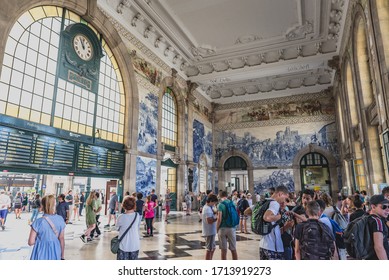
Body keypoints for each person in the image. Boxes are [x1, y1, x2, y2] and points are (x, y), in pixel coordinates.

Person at [28, 194, 66, 260]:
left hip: (40, 252)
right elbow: (61, 239)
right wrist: (62, 256)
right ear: (54, 205)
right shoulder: (60, 219)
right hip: (55, 251)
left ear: (42, 205)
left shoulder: (38, 222)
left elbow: (31, 242)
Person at [259, 185, 289, 260]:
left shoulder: (263, 202)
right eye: (284, 198)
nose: (283, 201)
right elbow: (266, 217)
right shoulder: (274, 203)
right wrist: (279, 217)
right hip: (273, 247)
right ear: (280, 194)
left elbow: (247, 212)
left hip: (263, 245)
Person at [116, 196, 141, 260]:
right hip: (135, 244)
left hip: (123, 245)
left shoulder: (121, 217)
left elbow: (117, 228)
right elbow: (137, 227)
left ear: (123, 205)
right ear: (134, 205)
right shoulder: (137, 215)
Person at [366, 194, 389, 259]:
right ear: (373, 207)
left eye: (388, 207)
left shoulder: (366, 217)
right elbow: (379, 247)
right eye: (384, 207)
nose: (387, 210)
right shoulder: (377, 221)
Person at [216, 190, 238, 260]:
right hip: (232, 227)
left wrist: (217, 228)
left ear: (219, 196)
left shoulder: (220, 205)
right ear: (227, 195)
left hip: (222, 228)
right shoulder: (232, 203)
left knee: (223, 250)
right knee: (233, 249)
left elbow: (219, 219)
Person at [202, 194, 218, 260]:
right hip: (209, 232)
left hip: (211, 231)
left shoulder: (208, 207)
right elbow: (209, 221)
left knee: (213, 248)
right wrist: (217, 218)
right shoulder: (207, 209)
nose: (214, 204)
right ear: (211, 201)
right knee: (209, 249)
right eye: (214, 202)